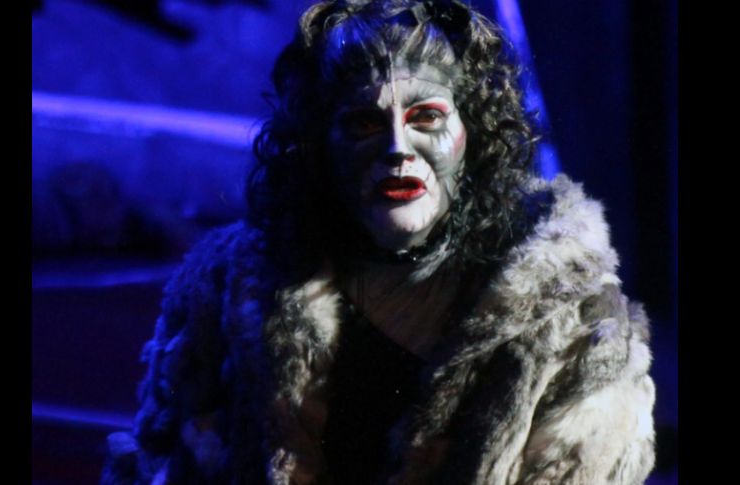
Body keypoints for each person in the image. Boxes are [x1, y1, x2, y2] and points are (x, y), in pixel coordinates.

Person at [103, 0, 656, 483]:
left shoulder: (574, 318)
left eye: (427, 118)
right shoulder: (227, 291)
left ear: (473, 135)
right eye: (364, 124)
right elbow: (161, 460)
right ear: (319, 145)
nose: (397, 147)